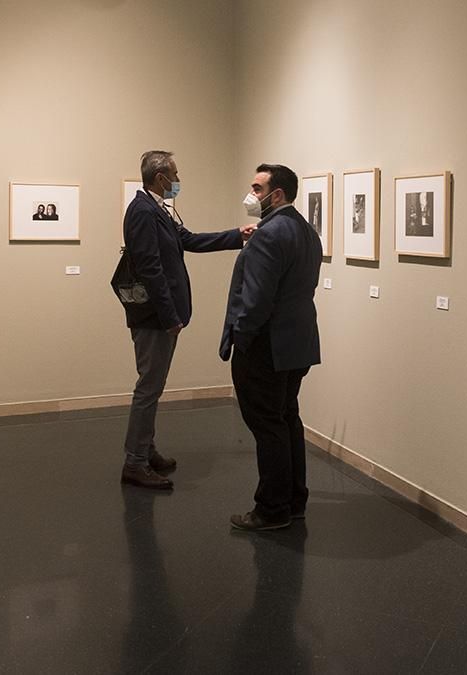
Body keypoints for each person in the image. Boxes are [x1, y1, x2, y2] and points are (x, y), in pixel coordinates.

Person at [118, 150, 255, 489]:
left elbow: (188, 240)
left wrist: (238, 235)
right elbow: (150, 268)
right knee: (148, 388)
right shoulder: (142, 211)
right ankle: (134, 462)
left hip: (161, 315)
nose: (178, 181)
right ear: (160, 177)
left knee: (153, 385)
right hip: (154, 317)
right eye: (175, 175)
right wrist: (169, 317)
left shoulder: (157, 210)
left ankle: (145, 450)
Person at [219, 164, 322, 530]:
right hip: (298, 343)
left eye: (257, 187)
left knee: (268, 425)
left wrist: (241, 338)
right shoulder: (307, 232)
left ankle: (272, 508)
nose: (251, 194)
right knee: (287, 418)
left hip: (267, 345)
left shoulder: (269, 234)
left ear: (276, 194)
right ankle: (295, 500)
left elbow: (257, 300)